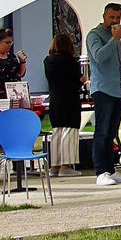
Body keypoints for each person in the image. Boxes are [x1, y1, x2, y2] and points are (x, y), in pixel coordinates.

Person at [84, 3, 121, 185]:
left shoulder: (114, 37)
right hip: (102, 89)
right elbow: (99, 56)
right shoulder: (95, 35)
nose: (115, 21)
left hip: (116, 90)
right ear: (104, 16)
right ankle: (100, 171)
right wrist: (114, 40)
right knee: (101, 131)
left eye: (118, 18)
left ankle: (110, 168)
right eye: (111, 18)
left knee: (111, 132)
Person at [42, 31, 84, 177]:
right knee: (69, 132)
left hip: (55, 99)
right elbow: (76, 81)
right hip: (70, 100)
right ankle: (65, 166)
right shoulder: (72, 62)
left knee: (57, 132)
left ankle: (54, 166)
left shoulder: (48, 61)